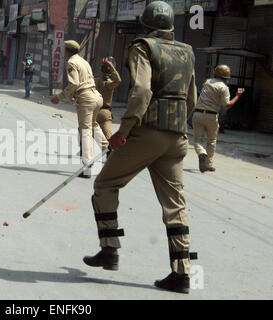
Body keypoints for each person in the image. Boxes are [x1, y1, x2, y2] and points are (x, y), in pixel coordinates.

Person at [82, 1, 198, 294]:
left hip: (148, 132)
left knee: (106, 184)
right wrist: (177, 124)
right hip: (177, 135)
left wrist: (125, 130)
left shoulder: (142, 47)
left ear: (145, 25)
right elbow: (192, 98)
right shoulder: (187, 51)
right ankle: (182, 273)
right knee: (175, 205)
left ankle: (110, 249)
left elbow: (143, 90)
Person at [51, 40, 109, 179]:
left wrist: (60, 97)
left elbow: (74, 83)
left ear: (67, 50)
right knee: (93, 125)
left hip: (86, 98)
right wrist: (72, 95)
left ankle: (88, 166)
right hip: (96, 96)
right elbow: (84, 80)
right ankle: (108, 149)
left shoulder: (71, 62)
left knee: (85, 131)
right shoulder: (83, 61)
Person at [192, 65, 245, 173]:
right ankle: (208, 164)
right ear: (227, 77)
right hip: (211, 116)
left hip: (198, 114)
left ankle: (202, 153)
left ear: (216, 73)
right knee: (211, 140)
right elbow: (226, 105)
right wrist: (238, 96)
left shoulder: (207, 82)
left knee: (198, 140)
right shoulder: (224, 87)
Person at [95, 57, 122, 141]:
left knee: (85, 139)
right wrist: (111, 66)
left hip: (93, 112)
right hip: (105, 114)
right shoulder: (108, 84)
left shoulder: (94, 81)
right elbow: (118, 80)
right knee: (109, 141)